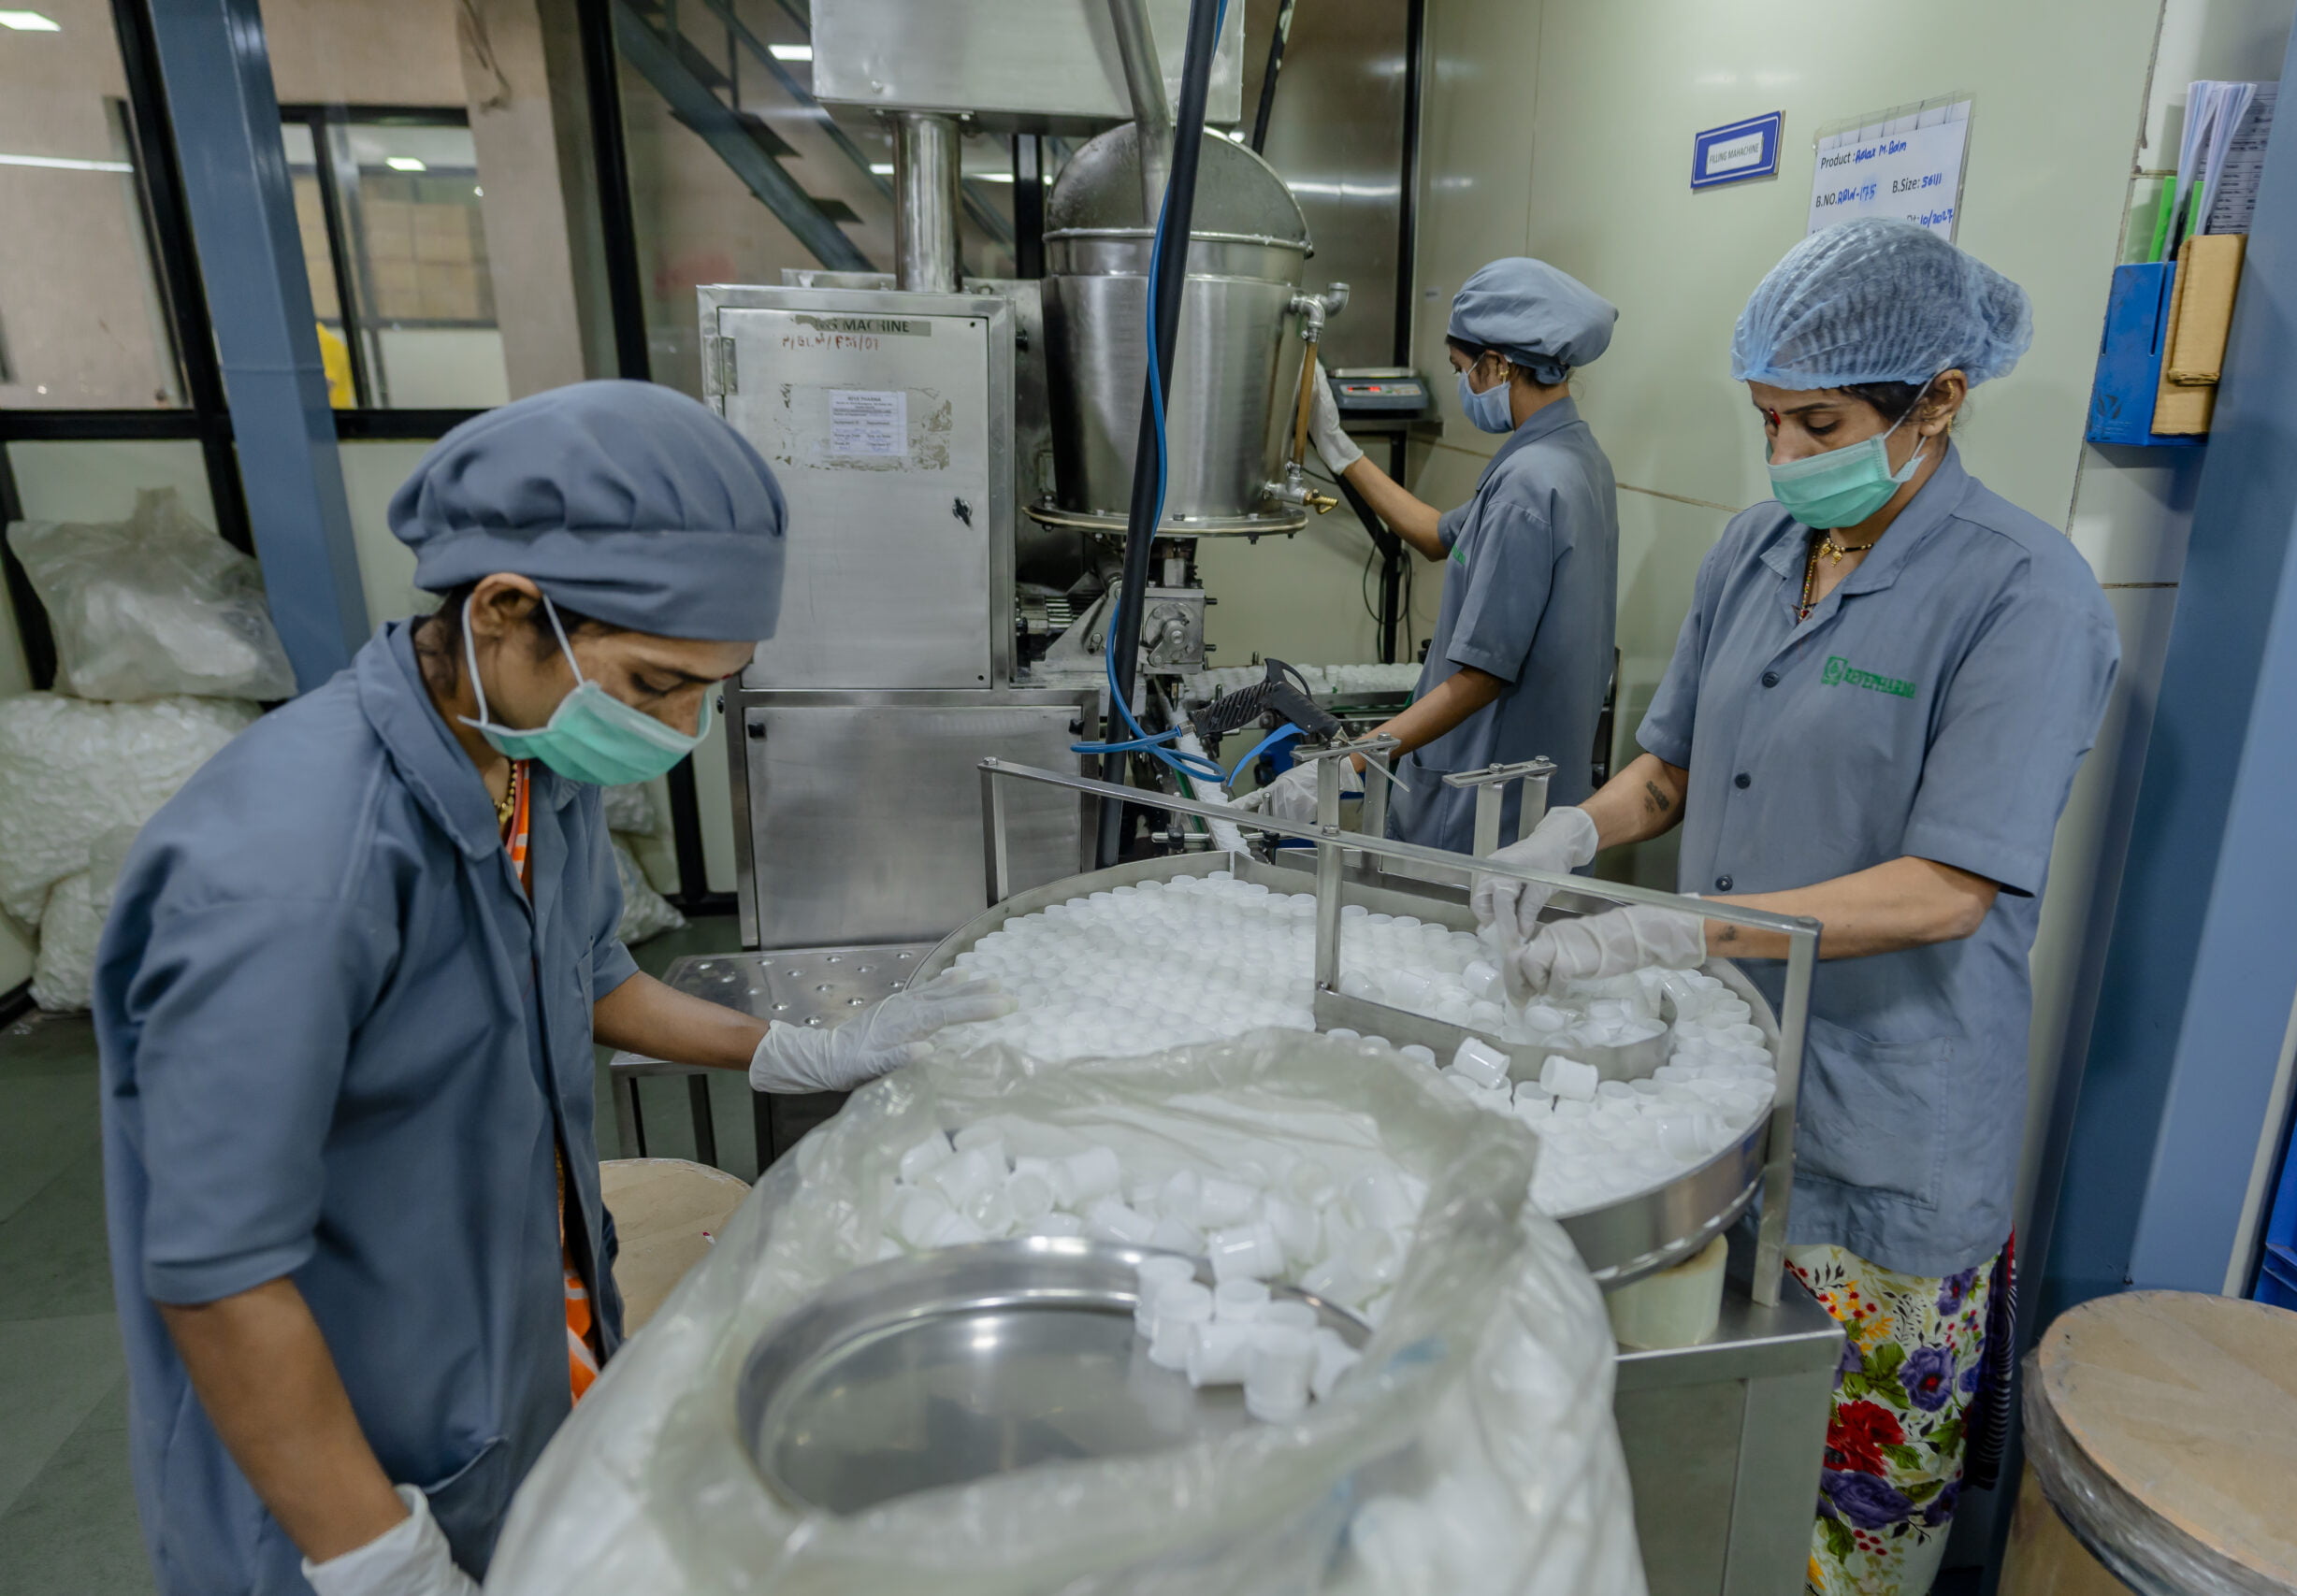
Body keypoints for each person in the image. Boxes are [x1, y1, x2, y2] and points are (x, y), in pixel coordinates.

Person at [94, 381, 1009, 1596]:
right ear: (504, 611)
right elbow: (219, 1272)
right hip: (332, 1469)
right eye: (657, 682)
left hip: (506, 1349)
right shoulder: (290, 871)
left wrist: (794, 1049)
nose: (683, 725)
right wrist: (375, 1555)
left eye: (714, 686)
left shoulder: (529, 765)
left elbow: (585, 978)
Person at [1481, 219, 2119, 1596]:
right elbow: (1670, 769)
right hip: (1719, 1105)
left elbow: (1945, 889)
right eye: (1766, 417)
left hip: (1883, 1133)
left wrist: (1664, 929)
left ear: (1938, 399)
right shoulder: (1758, 550)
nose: (1781, 454)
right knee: (1694, 1490)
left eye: (1816, 423)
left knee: (1844, 1537)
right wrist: (1574, 833)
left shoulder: (2025, 595)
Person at [1234, 257, 1620, 856]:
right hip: (1531, 804)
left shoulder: (1527, 485)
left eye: (1463, 370)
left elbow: (1480, 679)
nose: (1464, 385)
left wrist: (1345, 764)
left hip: (1482, 811)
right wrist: (1337, 447)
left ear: (1498, 364)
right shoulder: (1574, 458)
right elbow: (1439, 536)